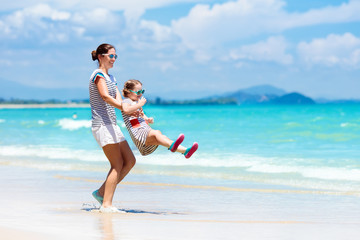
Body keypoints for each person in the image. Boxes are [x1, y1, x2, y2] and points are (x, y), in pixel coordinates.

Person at [89, 43, 136, 213]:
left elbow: (119, 101)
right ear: (101, 56)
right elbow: (105, 97)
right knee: (117, 164)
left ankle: (101, 193)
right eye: (111, 56)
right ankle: (106, 205)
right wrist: (123, 107)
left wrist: (133, 111)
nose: (114, 59)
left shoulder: (112, 78)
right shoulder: (98, 75)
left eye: (115, 56)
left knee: (130, 161)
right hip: (102, 124)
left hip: (112, 124)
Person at [121, 79, 198, 158]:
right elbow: (126, 110)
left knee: (162, 137)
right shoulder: (127, 101)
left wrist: (147, 119)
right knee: (157, 132)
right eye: (138, 92)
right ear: (129, 92)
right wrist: (139, 104)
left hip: (143, 132)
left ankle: (185, 151)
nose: (140, 94)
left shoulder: (136, 103)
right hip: (139, 134)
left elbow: (140, 116)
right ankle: (173, 146)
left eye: (142, 92)